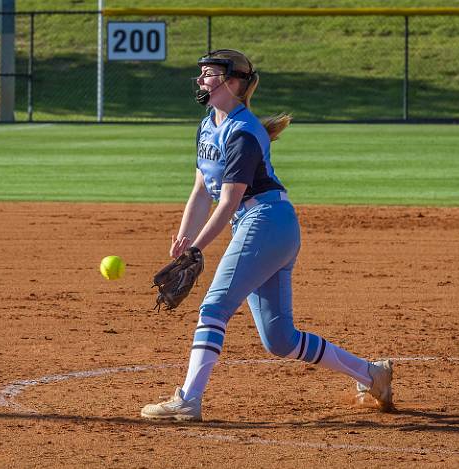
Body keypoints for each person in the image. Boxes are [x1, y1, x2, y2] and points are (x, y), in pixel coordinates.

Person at [140, 49, 394, 421]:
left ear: (233, 82)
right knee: (280, 340)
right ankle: (372, 374)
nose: (200, 80)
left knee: (213, 307)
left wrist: (197, 248)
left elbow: (229, 201)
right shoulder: (208, 125)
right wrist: (184, 238)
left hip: (266, 222)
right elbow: (200, 190)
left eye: (209, 74)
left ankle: (188, 399)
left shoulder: (243, 132)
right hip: (264, 226)